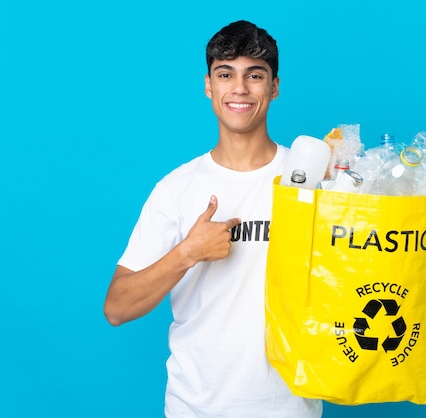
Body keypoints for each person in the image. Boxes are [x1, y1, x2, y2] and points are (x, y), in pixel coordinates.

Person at [103, 20, 323, 418]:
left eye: (254, 75)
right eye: (226, 74)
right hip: (196, 408)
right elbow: (117, 307)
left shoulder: (312, 182)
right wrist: (188, 252)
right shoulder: (177, 188)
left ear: (274, 87)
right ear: (209, 86)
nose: (239, 88)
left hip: (290, 409)